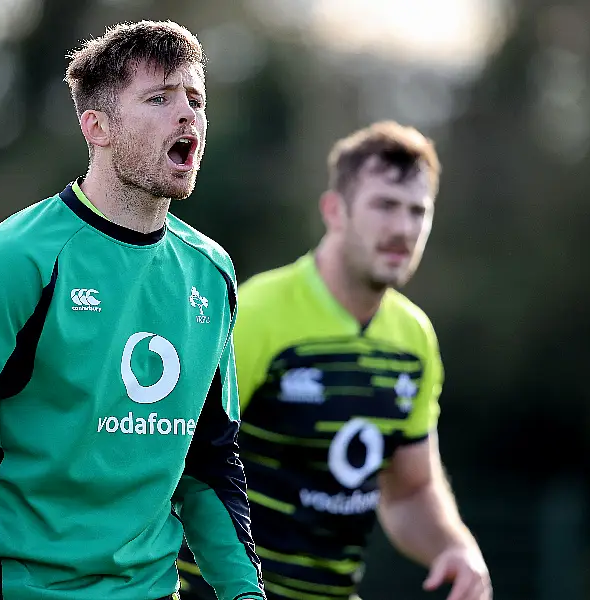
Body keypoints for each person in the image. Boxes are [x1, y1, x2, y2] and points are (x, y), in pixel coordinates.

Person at [0, 19, 265, 600]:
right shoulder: (8, 263)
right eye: (159, 98)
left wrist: (245, 594)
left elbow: (210, 465)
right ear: (97, 127)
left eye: (195, 98)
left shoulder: (211, 274)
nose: (187, 114)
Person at [178, 122, 491, 600]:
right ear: (334, 211)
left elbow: (409, 491)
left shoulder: (414, 339)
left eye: (417, 211)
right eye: (384, 205)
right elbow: (177, 456)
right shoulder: (258, 312)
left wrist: (454, 546)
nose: (403, 229)